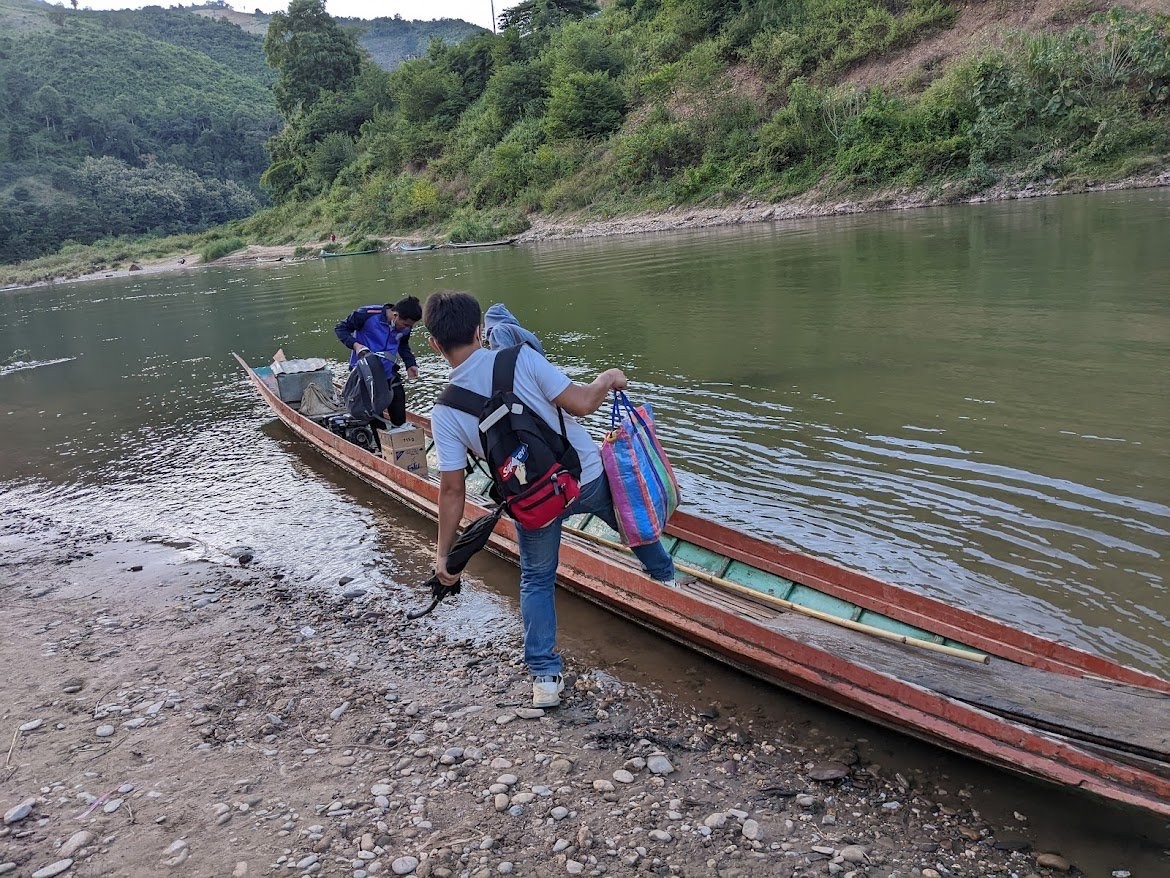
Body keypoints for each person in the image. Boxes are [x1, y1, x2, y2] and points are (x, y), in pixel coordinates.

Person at [423, 291, 681, 709]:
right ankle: (667, 580)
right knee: (632, 519)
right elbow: (580, 404)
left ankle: (545, 677)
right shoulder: (519, 357)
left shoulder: (445, 411)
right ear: (479, 331)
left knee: (537, 580)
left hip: (533, 502)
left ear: (434, 344)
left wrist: (443, 556)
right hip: (585, 478)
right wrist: (606, 379)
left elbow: (452, 490)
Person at [334, 296, 422, 427]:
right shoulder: (366, 315)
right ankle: (380, 445)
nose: (406, 328)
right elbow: (340, 328)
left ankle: (401, 441)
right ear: (395, 315)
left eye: (410, 326)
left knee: (399, 416)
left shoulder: (405, 327)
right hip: (365, 373)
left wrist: (410, 364)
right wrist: (356, 345)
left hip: (388, 374)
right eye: (405, 325)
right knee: (375, 417)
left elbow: (403, 345)